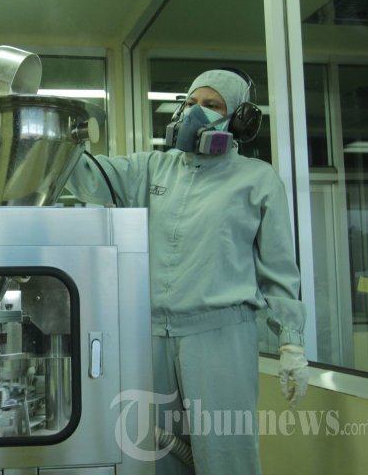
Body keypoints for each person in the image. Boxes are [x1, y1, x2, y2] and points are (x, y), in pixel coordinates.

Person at [66, 69, 310, 474]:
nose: (197, 112)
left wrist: (291, 342)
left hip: (220, 337)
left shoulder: (257, 180)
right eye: (191, 102)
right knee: (157, 455)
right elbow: (89, 176)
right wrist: (55, 137)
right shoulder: (153, 168)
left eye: (212, 105)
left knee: (225, 455)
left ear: (238, 119)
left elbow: (279, 267)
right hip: (153, 336)